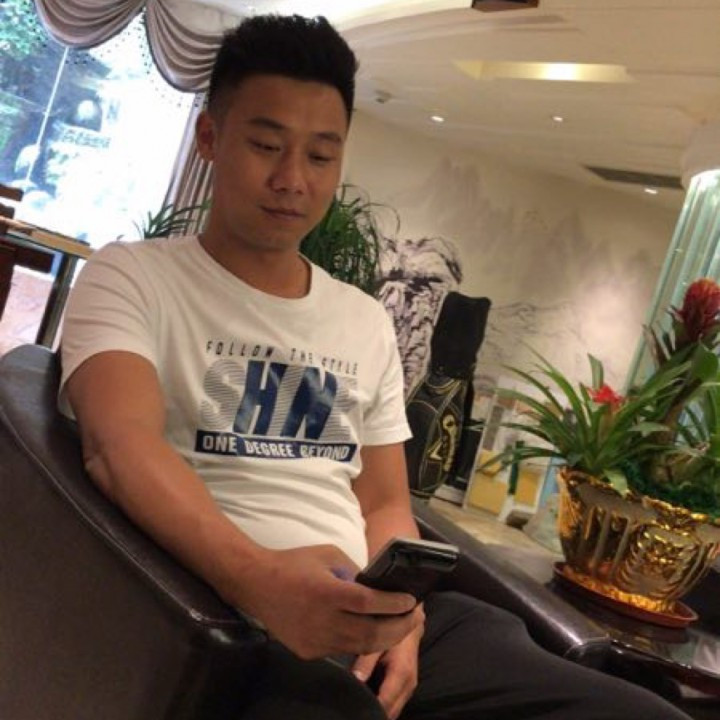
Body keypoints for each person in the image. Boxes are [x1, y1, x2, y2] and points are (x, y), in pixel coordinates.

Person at [59, 13, 691, 720]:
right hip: (221, 608)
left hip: (374, 612)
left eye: (321, 156)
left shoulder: (361, 319)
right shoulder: (131, 277)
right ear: (209, 138)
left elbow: (385, 503)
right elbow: (121, 448)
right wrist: (259, 581)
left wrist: (401, 610)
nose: (292, 179)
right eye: (266, 145)